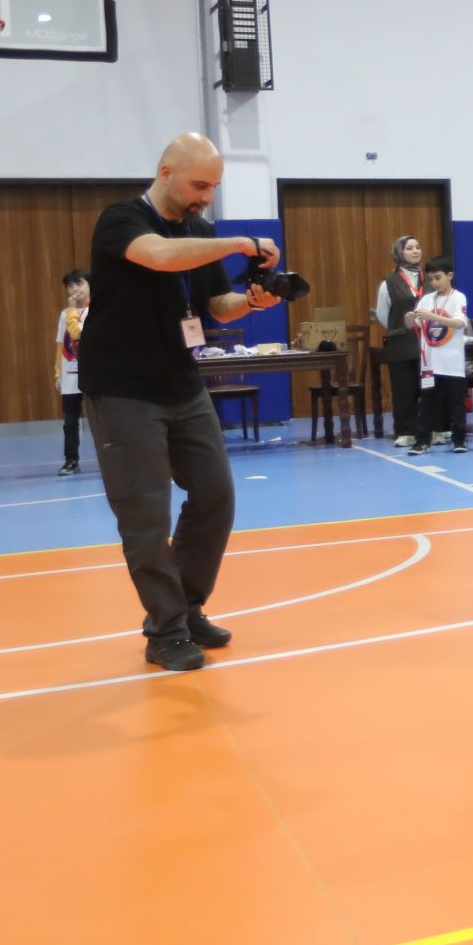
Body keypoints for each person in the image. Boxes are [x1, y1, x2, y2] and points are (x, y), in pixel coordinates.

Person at [81, 133, 283, 671]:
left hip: (181, 380)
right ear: (166, 172)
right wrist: (239, 243)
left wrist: (253, 301)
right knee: (146, 514)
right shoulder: (121, 219)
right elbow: (161, 256)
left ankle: (187, 608)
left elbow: (217, 305)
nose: (205, 198)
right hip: (122, 387)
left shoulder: (200, 230)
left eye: (213, 188)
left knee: (216, 494)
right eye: (199, 186)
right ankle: (165, 630)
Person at [408, 255, 473, 454]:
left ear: (449, 275)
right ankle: (422, 441)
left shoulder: (458, 297)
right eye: (431, 279)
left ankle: (459, 440)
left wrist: (432, 316)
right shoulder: (426, 300)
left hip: (452, 362)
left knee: (456, 404)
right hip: (430, 363)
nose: (434, 283)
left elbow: (459, 322)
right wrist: (409, 318)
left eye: (438, 278)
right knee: (427, 404)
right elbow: (413, 324)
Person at [374, 234, 429, 449]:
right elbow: (383, 315)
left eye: (418, 247)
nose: (415, 251)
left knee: (430, 387)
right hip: (402, 342)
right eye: (409, 248)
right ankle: (406, 431)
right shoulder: (389, 282)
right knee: (404, 388)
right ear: (399, 253)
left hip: (429, 342)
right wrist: (402, 327)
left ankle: (432, 429)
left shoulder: (430, 277)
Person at [55, 270, 89, 476]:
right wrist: (58, 372)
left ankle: (109, 459)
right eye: (70, 285)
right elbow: (61, 343)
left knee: (100, 420)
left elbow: (77, 333)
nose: (74, 289)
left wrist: (71, 312)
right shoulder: (65, 314)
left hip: (92, 373)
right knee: (70, 421)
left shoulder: (95, 311)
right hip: (70, 373)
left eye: (79, 283)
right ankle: (71, 459)